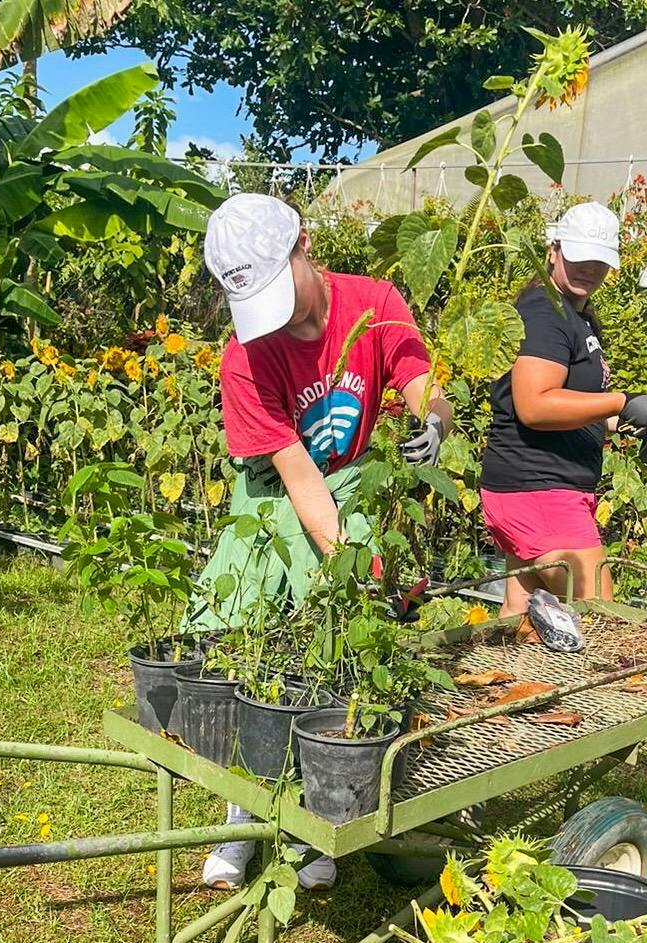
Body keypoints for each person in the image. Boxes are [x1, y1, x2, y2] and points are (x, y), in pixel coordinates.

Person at [188, 192, 453, 891]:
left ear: (305, 244)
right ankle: (242, 817)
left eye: (284, 293)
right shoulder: (244, 358)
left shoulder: (376, 299)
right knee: (253, 646)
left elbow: (420, 379)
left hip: (358, 487)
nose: (280, 320)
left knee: (331, 654)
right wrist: (351, 567)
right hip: (278, 495)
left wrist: (433, 418)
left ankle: (314, 821)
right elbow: (299, 480)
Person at [479, 201, 647, 617]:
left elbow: (569, 402)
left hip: (536, 489)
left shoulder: (574, 317)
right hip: (538, 490)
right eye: (579, 257)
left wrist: (629, 418)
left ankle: (509, 680)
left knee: (523, 622)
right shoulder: (544, 313)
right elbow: (534, 405)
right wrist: (619, 400)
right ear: (554, 250)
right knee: (602, 618)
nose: (588, 269)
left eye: (598, 262)